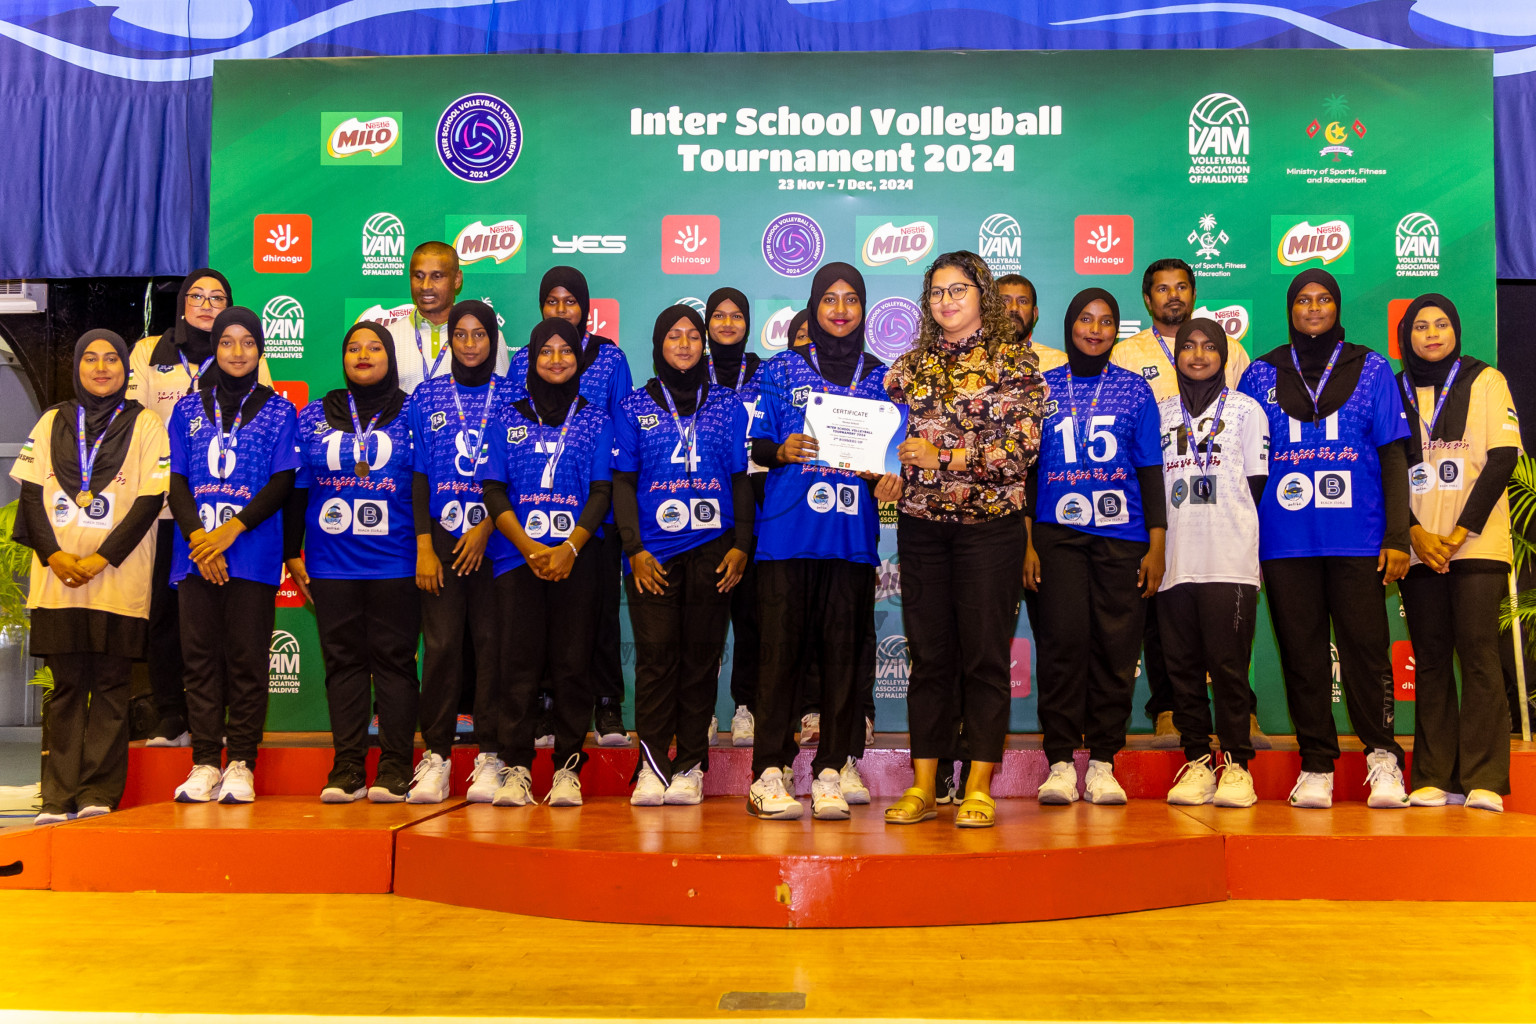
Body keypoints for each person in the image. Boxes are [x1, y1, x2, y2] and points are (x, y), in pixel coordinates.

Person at [883, 250, 1047, 828]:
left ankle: (979, 783)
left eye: (958, 289)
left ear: (982, 294)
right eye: (936, 293)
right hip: (923, 528)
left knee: (982, 658)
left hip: (990, 531)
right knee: (929, 660)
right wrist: (883, 471)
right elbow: (885, 444)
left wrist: (942, 455)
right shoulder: (906, 368)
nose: (946, 301)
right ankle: (924, 786)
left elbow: (1019, 455)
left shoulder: (1017, 365)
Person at [1238, 269, 1411, 809]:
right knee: (1302, 655)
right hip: (1285, 541)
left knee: (1365, 651)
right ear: (1290, 309)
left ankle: (1382, 760)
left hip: (1357, 538)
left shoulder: (1374, 367)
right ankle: (1316, 764)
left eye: (1324, 299)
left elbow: (1392, 455)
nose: (1313, 308)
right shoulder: (1262, 373)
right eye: (1304, 300)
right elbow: (1245, 468)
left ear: (1337, 307)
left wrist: (1398, 535)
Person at [747, 263, 899, 821]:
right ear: (813, 307)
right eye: (829, 299)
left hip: (850, 539)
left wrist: (888, 476)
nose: (840, 309)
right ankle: (770, 771)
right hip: (786, 534)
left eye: (851, 300)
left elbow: (889, 460)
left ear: (864, 309)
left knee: (843, 659)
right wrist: (779, 450)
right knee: (780, 657)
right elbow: (757, 446)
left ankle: (832, 769)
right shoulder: (781, 368)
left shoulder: (882, 376)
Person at [14, 330, 169, 823]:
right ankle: (58, 797)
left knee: (109, 685)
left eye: (111, 360)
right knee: (63, 689)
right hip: (57, 579)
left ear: (126, 369)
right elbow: (31, 495)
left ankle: (98, 794)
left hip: (118, 578)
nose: (101, 368)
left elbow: (149, 500)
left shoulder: (145, 424)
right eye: (91, 359)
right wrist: (55, 556)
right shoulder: (52, 420)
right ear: (78, 366)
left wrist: (102, 559)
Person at [1110, 257, 1261, 751]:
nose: (1172, 296)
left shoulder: (1233, 351)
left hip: (1223, 511)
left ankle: (1239, 728)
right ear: (1147, 298)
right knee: (1162, 618)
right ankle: (1169, 709)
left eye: (1181, 287)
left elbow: (1249, 458)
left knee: (1226, 632)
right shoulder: (1126, 353)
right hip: (1152, 499)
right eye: (1161, 289)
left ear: (1193, 294)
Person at [1026, 288, 1165, 806]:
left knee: (1115, 651)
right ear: (1069, 325)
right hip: (1055, 537)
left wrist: (1156, 545)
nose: (1096, 329)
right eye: (1085, 318)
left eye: (1107, 321)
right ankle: (1060, 761)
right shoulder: (1041, 387)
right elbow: (1026, 472)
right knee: (1062, 646)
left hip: (1123, 537)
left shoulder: (1134, 389)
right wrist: (1027, 543)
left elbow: (1151, 469)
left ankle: (1105, 760)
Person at [612, 305, 753, 806]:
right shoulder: (632, 407)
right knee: (656, 661)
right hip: (655, 552)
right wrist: (634, 549)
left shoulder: (728, 405)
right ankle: (652, 767)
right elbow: (623, 483)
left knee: (700, 660)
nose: (686, 344)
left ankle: (690, 764)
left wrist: (742, 544)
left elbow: (739, 478)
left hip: (714, 550)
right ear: (658, 344)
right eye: (674, 335)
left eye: (694, 336)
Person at [126, 269, 272, 749]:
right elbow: (137, 423)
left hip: (231, 516)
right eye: (197, 296)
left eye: (218, 297)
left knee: (231, 627)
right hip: (169, 507)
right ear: (182, 303)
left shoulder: (242, 351)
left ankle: (226, 722)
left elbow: (263, 421)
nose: (207, 305)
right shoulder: (151, 351)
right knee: (169, 617)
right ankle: (173, 715)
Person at [166, 308, 299, 803]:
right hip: (196, 553)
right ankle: (204, 763)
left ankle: (241, 761)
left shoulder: (280, 410)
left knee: (245, 662)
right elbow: (177, 480)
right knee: (200, 662)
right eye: (227, 342)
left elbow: (282, 481)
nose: (237, 352)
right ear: (215, 348)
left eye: (247, 343)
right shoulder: (187, 408)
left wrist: (231, 531)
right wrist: (202, 540)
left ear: (261, 350)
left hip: (251, 553)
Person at [283, 322, 419, 804]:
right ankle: (347, 766)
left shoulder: (413, 410)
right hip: (330, 562)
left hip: (397, 562)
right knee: (342, 664)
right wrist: (291, 551)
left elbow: (423, 484)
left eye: (375, 347)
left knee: (395, 664)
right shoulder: (314, 414)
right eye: (354, 348)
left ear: (391, 356)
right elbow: (297, 488)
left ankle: (397, 765)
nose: (364, 355)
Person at [480, 318, 613, 808]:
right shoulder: (505, 416)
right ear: (531, 360)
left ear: (579, 360)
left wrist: (570, 547)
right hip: (517, 559)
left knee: (573, 665)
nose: (556, 360)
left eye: (566, 351)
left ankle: (566, 770)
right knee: (517, 666)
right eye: (545, 352)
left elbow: (602, 491)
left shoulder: (597, 419)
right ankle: (515, 770)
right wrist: (529, 547)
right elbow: (493, 489)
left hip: (577, 558)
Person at [1395, 294, 1520, 813]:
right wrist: (1413, 532)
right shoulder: (1394, 388)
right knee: (1430, 661)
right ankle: (1432, 775)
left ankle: (1485, 778)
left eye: (1441, 324)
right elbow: (1384, 467)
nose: (1431, 334)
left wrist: (1460, 531)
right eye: (1420, 326)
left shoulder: (1486, 380)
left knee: (1478, 654)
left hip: (1477, 542)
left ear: (1456, 330)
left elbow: (1503, 458)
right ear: (1407, 336)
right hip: (1420, 544)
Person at [508, 267, 634, 748]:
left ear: (585, 307)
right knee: (539, 621)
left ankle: (606, 705)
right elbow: (517, 422)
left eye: (571, 302)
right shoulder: (526, 356)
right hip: (535, 510)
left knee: (598, 614)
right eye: (552, 302)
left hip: (594, 513)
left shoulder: (610, 357)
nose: (561, 311)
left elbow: (621, 427)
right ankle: (545, 706)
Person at [1156, 319, 1269, 808]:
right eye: (1188, 347)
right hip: (1175, 562)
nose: (1198, 355)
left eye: (1209, 347)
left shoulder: (1246, 410)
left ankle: (1238, 765)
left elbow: (1256, 485)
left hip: (1230, 559)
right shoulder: (1159, 413)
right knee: (1181, 669)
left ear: (1224, 355)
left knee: (1228, 668)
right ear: (1176, 354)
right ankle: (1198, 761)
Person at [407, 299, 511, 803]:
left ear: (493, 340)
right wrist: (426, 546)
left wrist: (489, 526)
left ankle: (490, 757)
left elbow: (518, 474)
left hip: (497, 539)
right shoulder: (425, 397)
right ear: (449, 342)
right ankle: (437, 757)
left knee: (492, 645)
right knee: (444, 646)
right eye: (461, 335)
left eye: (480, 335)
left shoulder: (513, 396)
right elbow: (420, 476)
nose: (470, 344)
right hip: (443, 540)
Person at [705, 286, 765, 748]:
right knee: (703, 618)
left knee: (752, 616)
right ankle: (702, 708)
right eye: (718, 316)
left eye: (736, 316)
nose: (727, 323)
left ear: (747, 322)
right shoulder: (686, 374)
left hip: (759, 504)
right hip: (702, 506)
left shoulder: (766, 372)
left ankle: (746, 706)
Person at [390, 242, 509, 394]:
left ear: (457, 279)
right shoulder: (388, 338)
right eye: (418, 276)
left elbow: (503, 397)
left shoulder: (489, 338)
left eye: (437, 276)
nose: (425, 286)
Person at [997, 273, 1066, 372]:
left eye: (1022, 301)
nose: (1014, 308)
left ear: (1034, 314)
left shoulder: (1059, 363)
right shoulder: (974, 361)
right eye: (1005, 301)